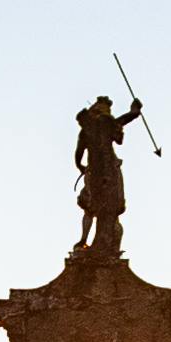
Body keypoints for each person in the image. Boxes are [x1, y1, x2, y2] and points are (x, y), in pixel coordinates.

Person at [72, 91, 144, 256]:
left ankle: (96, 242)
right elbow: (119, 126)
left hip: (101, 171)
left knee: (100, 210)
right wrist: (133, 113)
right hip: (106, 171)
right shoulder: (100, 126)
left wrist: (80, 167)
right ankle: (93, 242)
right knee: (101, 209)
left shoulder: (91, 129)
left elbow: (78, 154)